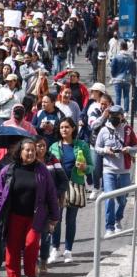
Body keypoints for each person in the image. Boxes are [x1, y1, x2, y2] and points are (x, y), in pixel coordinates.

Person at [0, 138, 61, 277]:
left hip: (35, 217)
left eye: (33, 150)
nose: (31, 153)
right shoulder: (9, 170)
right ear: (20, 151)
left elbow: (51, 193)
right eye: (27, 150)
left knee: (31, 245)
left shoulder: (41, 169)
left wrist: (55, 217)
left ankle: (31, 275)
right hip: (13, 217)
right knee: (12, 248)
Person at [48, 118, 92, 262]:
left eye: (67, 127)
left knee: (71, 220)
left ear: (73, 128)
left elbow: (92, 166)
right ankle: (55, 248)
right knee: (56, 219)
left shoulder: (82, 145)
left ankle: (68, 250)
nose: (64, 130)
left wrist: (85, 168)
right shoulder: (54, 146)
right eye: (61, 127)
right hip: (57, 188)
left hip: (75, 186)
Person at [95, 105, 135, 233]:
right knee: (109, 198)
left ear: (122, 116)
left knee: (123, 200)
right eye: (111, 115)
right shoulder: (104, 130)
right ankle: (109, 226)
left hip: (124, 171)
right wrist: (106, 150)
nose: (113, 118)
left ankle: (118, 219)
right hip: (109, 171)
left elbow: (136, 146)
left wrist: (129, 149)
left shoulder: (128, 130)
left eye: (116, 116)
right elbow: (97, 148)